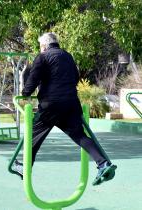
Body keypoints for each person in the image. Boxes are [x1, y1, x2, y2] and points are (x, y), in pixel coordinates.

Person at [12, 32, 116, 186]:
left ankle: (25, 168)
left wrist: (25, 94)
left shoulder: (42, 57)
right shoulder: (68, 56)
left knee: (33, 135)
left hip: (51, 105)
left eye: (40, 46)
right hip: (71, 104)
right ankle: (102, 164)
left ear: (44, 45)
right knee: (79, 135)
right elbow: (75, 77)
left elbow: (33, 78)